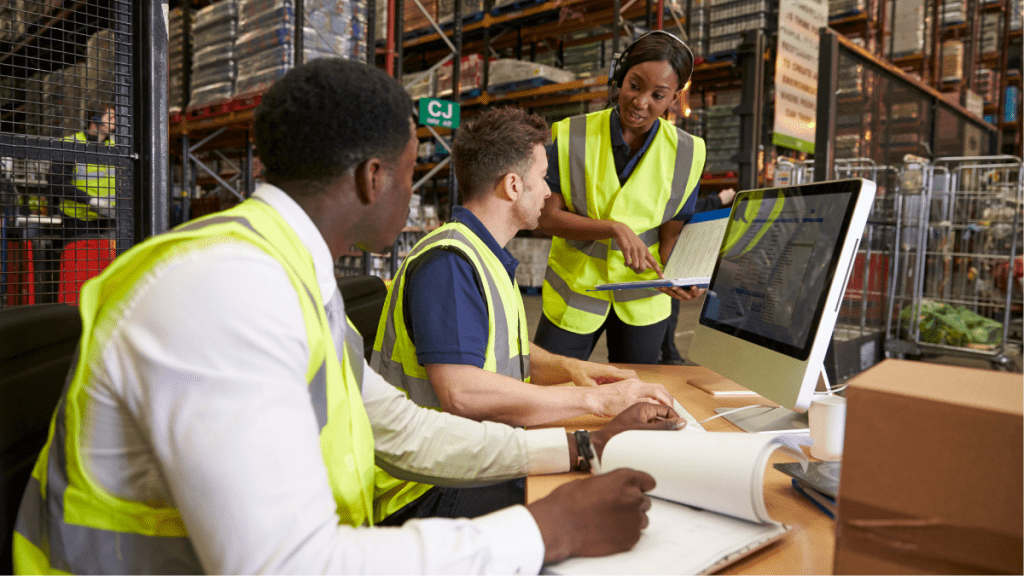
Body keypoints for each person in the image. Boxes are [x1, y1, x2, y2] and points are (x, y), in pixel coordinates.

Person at [12, 58, 685, 575]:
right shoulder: (223, 291)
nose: (420, 182)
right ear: (373, 178)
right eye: (410, 165)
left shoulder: (296, 278)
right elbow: (285, 565)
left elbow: (403, 431)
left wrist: (579, 448)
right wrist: (545, 531)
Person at [370, 107, 678, 523]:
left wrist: (572, 368)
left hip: (470, 460)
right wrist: (594, 400)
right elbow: (463, 393)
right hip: (428, 488)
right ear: (513, 185)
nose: (549, 191)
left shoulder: (481, 254)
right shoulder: (449, 263)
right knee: (618, 494)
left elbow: (503, 348)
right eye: (542, 177)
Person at [535, 31, 707, 364]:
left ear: (674, 98)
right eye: (634, 86)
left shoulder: (688, 153)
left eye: (658, 95)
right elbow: (547, 218)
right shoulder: (571, 134)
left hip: (643, 298)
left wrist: (679, 276)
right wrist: (613, 228)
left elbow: (670, 237)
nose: (641, 102)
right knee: (548, 387)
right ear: (619, 78)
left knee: (636, 398)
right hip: (575, 292)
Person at [660, 187, 737, 365]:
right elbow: (684, 208)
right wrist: (716, 200)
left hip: (670, 256)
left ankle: (670, 352)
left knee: (673, 306)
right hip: (663, 260)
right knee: (671, 305)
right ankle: (669, 353)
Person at [50, 102, 117, 240]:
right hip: (78, 223)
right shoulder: (70, 144)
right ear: (96, 121)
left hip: (110, 222)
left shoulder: (116, 147)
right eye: (110, 118)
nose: (115, 122)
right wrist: (90, 200)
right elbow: (56, 182)